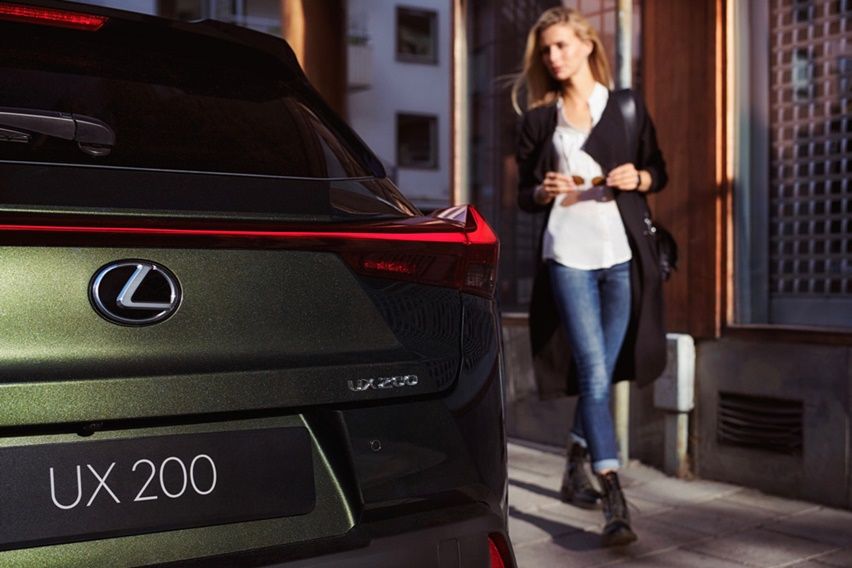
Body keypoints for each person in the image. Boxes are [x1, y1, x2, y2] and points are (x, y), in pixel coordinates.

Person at [512, 7, 668, 547]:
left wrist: (637, 176)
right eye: (546, 50)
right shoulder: (541, 119)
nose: (553, 57)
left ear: (586, 44)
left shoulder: (623, 106)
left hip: (620, 255)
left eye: (561, 45)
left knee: (601, 375)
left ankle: (573, 463)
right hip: (567, 256)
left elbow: (659, 170)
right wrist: (542, 189)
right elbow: (523, 195)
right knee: (594, 374)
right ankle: (613, 496)